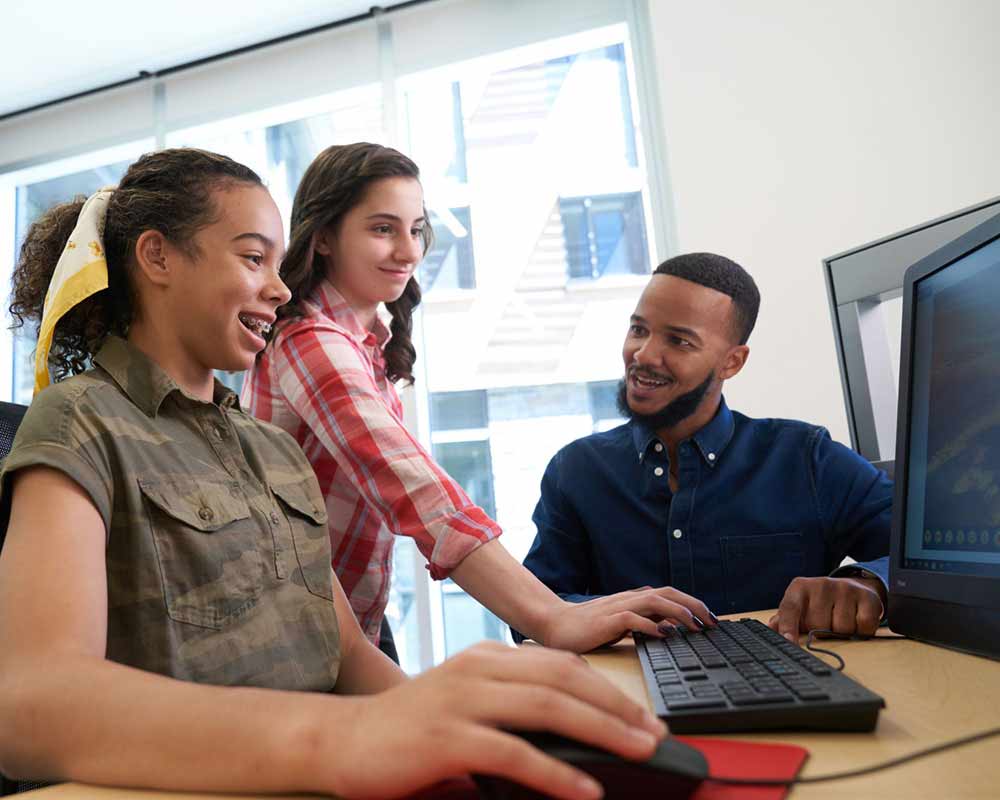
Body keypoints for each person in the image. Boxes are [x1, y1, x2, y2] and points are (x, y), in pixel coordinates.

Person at [0, 148, 669, 799]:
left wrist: (463, 737)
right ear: (157, 256)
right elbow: (28, 702)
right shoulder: (77, 420)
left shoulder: (270, 449)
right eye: (253, 257)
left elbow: (346, 655)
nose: (279, 286)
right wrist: (344, 737)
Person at [244, 142, 715, 659]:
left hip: (351, 620)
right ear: (326, 236)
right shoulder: (311, 341)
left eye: (416, 228)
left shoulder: (363, 338)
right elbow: (414, 489)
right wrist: (552, 615)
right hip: (292, 634)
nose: (409, 251)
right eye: (383, 229)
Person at [521, 252, 893, 641]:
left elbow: (928, 562)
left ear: (732, 362)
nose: (643, 355)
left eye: (679, 341)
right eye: (638, 330)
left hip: (784, 692)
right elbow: (530, 609)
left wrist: (869, 585)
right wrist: (611, 611)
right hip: (622, 697)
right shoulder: (576, 469)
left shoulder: (808, 459)